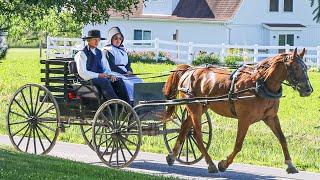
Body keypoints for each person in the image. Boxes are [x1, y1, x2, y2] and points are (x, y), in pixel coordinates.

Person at [74, 29, 130, 104]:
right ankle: (116, 105)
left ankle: (127, 104)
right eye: (94, 40)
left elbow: (106, 67)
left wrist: (110, 75)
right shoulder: (82, 54)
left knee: (118, 80)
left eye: (98, 40)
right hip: (88, 79)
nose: (97, 42)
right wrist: (99, 75)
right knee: (104, 81)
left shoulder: (100, 53)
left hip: (100, 77)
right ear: (88, 40)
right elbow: (82, 73)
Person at [103, 27, 143, 104]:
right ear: (111, 39)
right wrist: (124, 73)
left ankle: (141, 101)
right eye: (115, 38)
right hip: (114, 73)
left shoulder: (123, 50)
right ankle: (131, 103)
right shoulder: (107, 50)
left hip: (125, 73)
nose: (118, 41)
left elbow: (128, 64)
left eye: (120, 38)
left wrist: (129, 71)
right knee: (130, 85)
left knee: (139, 82)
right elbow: (111, 66)